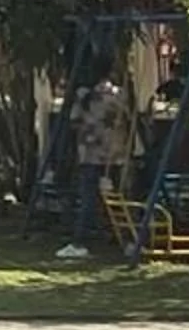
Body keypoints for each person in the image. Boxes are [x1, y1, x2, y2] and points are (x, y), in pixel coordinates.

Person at [57, 72, 138, 261]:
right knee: (122, 199)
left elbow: (74, 122)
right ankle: (128, 240)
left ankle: (80, 242)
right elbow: (130, 119)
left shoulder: (84, 95)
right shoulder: (120, 94)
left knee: (89, 198)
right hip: (116, 153)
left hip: (91, 153)